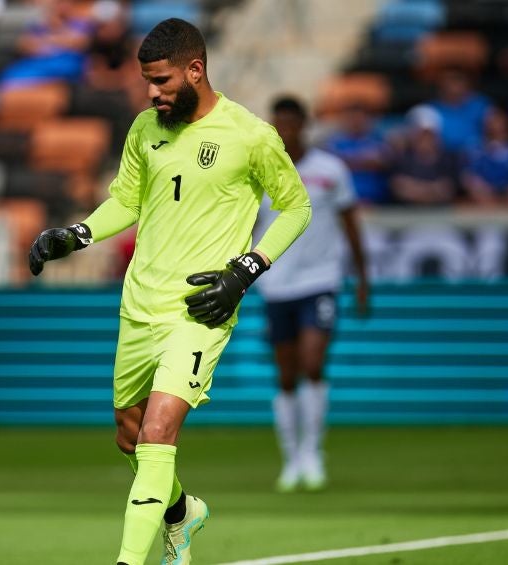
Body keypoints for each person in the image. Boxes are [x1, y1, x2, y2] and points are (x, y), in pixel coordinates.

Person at [26, 18, 311, 565]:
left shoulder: (250, 134)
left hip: (200, 308)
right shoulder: (144, 129)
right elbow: (127, 202)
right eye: (146, 82)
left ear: (195, 70)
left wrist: (247, 268)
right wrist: (76, 235)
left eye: (161, 81)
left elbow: (296, 207)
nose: (151, 93)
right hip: (139, 306)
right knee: (131, 438)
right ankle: (181, 515)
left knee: (159, 431)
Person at [256, 96, 369, 493]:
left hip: (320, 280)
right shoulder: (260, 172)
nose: (285, 130)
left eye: (291, 122)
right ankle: (291, 459)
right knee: (286, 375)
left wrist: (362, 279)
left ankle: (312, 452)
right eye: (279, 123)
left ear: (303, 124)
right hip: (276, 283)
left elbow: (350, 221)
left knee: (313, 362)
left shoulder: (329, 170)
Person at [389, 105, 460, 205]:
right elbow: (399, 188)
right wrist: (432, 190)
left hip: (442, 215)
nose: (425, 140)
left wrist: (415, 188)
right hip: (406, 215)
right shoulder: (401, 159)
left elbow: (447, 190)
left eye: (429, 135)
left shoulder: (448, 159)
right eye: (421, 135)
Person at [322, 102, 391, 205]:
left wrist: (348, 161)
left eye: (359, 118)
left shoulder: (378, 138)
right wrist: (364, 160)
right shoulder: (334, 141)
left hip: (376, 202)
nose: (355, 122)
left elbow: (381, 161)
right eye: (351, 118)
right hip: (343, 201)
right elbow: (331, 164)